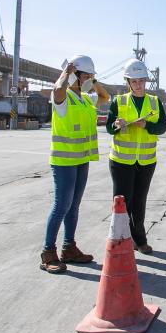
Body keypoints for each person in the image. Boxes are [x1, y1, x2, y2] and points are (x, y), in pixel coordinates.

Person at [40, 54, 111, 274]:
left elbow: (105, 97)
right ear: (74, 76)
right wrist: (65, 74)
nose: (89, 79)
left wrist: (93, 80)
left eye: (91, 76)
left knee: (73, 206)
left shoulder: (85, 99)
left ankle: (69, 248)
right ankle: (47, 253)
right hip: (64, 161)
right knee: (61, 205)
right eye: (86, 76)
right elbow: (57, 91)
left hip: (81, 160)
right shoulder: (63, 98)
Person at [106, 58, 166, 254]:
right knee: (123, 202)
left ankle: (140, 240)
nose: (138, 84)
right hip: (121, 161)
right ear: (128, 82)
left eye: (141, 80)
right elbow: (109, 127)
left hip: (146, 161)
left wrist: (147, 125)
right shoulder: (119, 101)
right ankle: (122, 239)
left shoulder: (155, 102)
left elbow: (163, 127)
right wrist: (116, 125)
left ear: (145, 81)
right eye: (134, 81)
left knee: (139, 202)